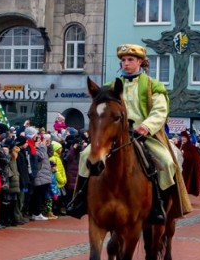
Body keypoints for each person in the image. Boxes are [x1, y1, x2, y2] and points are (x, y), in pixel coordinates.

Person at [67, 43, 191, 223]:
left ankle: (159, 205)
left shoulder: (153, 86)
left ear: (140, 62)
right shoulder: (110, 86)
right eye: (123, 60)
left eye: (130, 60)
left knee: (167, 162)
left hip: (145, 135)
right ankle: (80, 199)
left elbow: (160, 110)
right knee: (86, 156)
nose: (126, 63)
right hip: (116, 136)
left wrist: (147, 126)